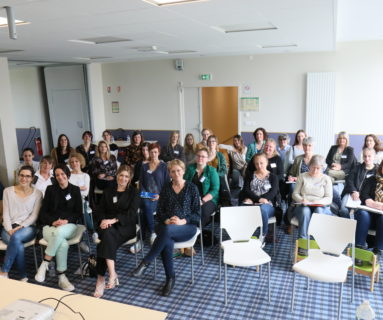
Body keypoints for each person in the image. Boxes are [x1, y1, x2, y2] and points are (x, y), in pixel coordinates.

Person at [131, 160, 201, 297]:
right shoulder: (166, 188)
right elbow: (160, 210)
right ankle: (170, 278)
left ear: (183, 170)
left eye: (178, 170)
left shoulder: (192, 188)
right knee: (166, 238)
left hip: (187, 227)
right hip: (166, 225)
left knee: (166, 232)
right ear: (169, 173)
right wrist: (166, 220)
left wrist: (182, 221)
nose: (176, 174)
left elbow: (197, 214)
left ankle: (146, 262)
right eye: (173, 171)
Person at [93, 165, 140, 298]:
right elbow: (100, 210)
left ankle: (101, 278)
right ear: (117, 175)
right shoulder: (109, 190)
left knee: (106, 238)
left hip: (125, 226)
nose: (123, 178)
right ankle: (112, 274)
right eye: (121, 175)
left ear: (130, 178)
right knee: (108, 236)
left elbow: (131, 214)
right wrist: (103, 220)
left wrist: (112, 220)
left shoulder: (134, 192)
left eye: (126, 176)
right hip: (107, 225)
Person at [35, 164, 82, 291]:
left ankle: (45, 263)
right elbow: (43, 212)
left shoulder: (75, 190)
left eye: (62, 174)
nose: (60, 177)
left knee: (60, 232)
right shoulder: (50, 189)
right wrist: (53, 221)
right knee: (63, 244)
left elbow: (78, 213)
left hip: (69, 226)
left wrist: (66, 220)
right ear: (54, 177)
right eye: (57, 175)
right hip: (50, 226)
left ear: (67, 174)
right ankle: (62, 278)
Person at [0, 166, 42, 281]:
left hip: (28, 227)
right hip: (9, 228)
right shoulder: (7, 191)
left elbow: (34, 216)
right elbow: (6, 214)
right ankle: (23, 276)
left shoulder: (37, 193)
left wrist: (21, 226)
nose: (24, 178)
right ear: (18, 176)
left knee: (16, 237)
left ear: (32, 178)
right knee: (17, 242)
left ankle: (4, 271)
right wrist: (9, 229)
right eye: (22, 175)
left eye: (28, 176)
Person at [292, 155, 332, 241]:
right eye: (313, 167)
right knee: (305, 211)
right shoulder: (302, 176)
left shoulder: (326, 179)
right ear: (309, 166)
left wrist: (319, 201)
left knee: (318, 211)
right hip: (304, 205)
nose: (315, 170)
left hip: (320, 206)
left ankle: (316, 241)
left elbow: (329, 198)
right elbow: (295, 194)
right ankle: (303, 241)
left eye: (318, 168)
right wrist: (301, 199)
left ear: (322, 168)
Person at [239, 153, 278, 239]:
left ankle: (262, 235)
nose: (259, 166)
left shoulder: (273, 177)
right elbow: (246, 190)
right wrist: (258, 199)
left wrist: (260, 200)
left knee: (262, 210)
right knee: (242, 207)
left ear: (266, 162)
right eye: (256, 163)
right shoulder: (250, 175)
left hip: (267, 204)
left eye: (261, 163)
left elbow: (273, 192)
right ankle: (245, 235)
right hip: (252, 201)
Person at [140, 143, 170, 245]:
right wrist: (146, 194)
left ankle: (143, 235)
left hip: (160, 197)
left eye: (155, 152)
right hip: (146, 195)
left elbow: (167, 185)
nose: (153, 154)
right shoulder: (144, 167)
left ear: (159, 153)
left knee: (144, 209)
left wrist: (159, 196)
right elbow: (141, 183)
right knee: (145, 203)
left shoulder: (164, 166)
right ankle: (152, 233)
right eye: (151, 152)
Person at [184, 148, 219, 226]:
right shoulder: (190, 168)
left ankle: (196, 231)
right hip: (192, 197)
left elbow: (215, 190)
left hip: (208, 199)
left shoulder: (212, 171)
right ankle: (186, 229)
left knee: (202, 212)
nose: (200, 158)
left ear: (207, 159)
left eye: (203, 156)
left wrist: (202, 201)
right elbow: (184, 183)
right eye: (198, 156)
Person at [355, 160, 383, 255]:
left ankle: (378, 250)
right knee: (363, 214)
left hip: (381, 218)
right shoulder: (371, 179)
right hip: (368, 214)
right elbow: (364, 196)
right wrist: (376, 204)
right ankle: (359, 248)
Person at [340, 148, 377, 218]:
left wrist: (364, 197)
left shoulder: (377, 171)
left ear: (374, 157)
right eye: (365, 156)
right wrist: (353, 191)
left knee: (358, 214)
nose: (367, 158)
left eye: (369, 156)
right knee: (343, 210)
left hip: (365, 198)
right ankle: (347, 225)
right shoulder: (357, 167)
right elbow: (349, 180)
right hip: (351, 193)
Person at [207, 135, 231, 205]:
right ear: (207, 143)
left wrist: (215, 176)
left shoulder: (220, 155)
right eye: (209, 141)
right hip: (206, 178)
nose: (211, 143)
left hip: (218, 177)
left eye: (213, 141)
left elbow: (224, 170)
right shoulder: (204, 155)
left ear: (216, 143)